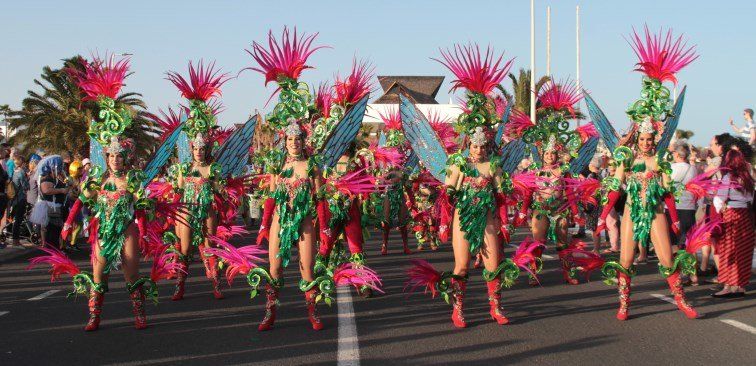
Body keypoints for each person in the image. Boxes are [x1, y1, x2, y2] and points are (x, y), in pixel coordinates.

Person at [407, 43, 527, 328]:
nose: (478, 149)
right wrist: (446, 201)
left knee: (493, 266)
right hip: (463, 219)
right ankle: (458, 310)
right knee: (461, 266)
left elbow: (502, 195)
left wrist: (511, 200)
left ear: (487, 144)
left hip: (487, 221)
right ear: (468, 145)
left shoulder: (493, 166)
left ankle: (495, 308)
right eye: (474, 145)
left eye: (482, 145)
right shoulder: (458, 165)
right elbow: (447, 195)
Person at [598, 26, 699, 321]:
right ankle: (624, 304)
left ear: (654, 140)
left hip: (654, 211)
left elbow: (667, 192)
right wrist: (605, 214)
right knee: (626, 259)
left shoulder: (659, 162)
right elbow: (616, 187)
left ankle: (681, 300)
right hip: (631, 211)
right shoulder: (626, 159)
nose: (645, 142)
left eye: (649, 139)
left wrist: (676, 218)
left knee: (667, 258)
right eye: (642, 139)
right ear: (637, 139)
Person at [165, 60, 231, 301]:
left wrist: (222, 190)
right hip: (187, 211)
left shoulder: (213, 168)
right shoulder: (183, 167)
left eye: (202, 148)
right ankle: (179, 287)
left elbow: (220, 192)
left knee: (210, 246)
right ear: (191, 149)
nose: (199, 152)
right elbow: (177, 191)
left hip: (208, 210)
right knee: (184, 250)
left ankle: (216, 284)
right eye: (195, 148)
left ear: (207, 149)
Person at [711, 149, 755, 298]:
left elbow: (719, 199)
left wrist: (718, 207)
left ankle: (728, 286)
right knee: (743, 251)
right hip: (746, 216)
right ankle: (740, 286)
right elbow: (751, 198)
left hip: (731, 215)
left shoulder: (728, 177)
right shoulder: (748, 177)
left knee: (728, 251)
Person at [668, 144, 698, 251]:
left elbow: (666, 186)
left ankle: (677, 266)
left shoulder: (671, 168)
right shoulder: (693, 169)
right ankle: (691, 266)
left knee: (673, 241)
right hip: (689, 208)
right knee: (689, 241)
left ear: (676, 154)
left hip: (673, 208)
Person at [10, 155, 30, 247]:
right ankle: (15, 240)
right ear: (21, 162)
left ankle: (15, 239)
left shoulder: (14, 171)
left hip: (15, 199)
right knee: (18, 220)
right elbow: (26, 186)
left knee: (16, 220)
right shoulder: (21, 172)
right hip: (20, 199)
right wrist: (28, 177)